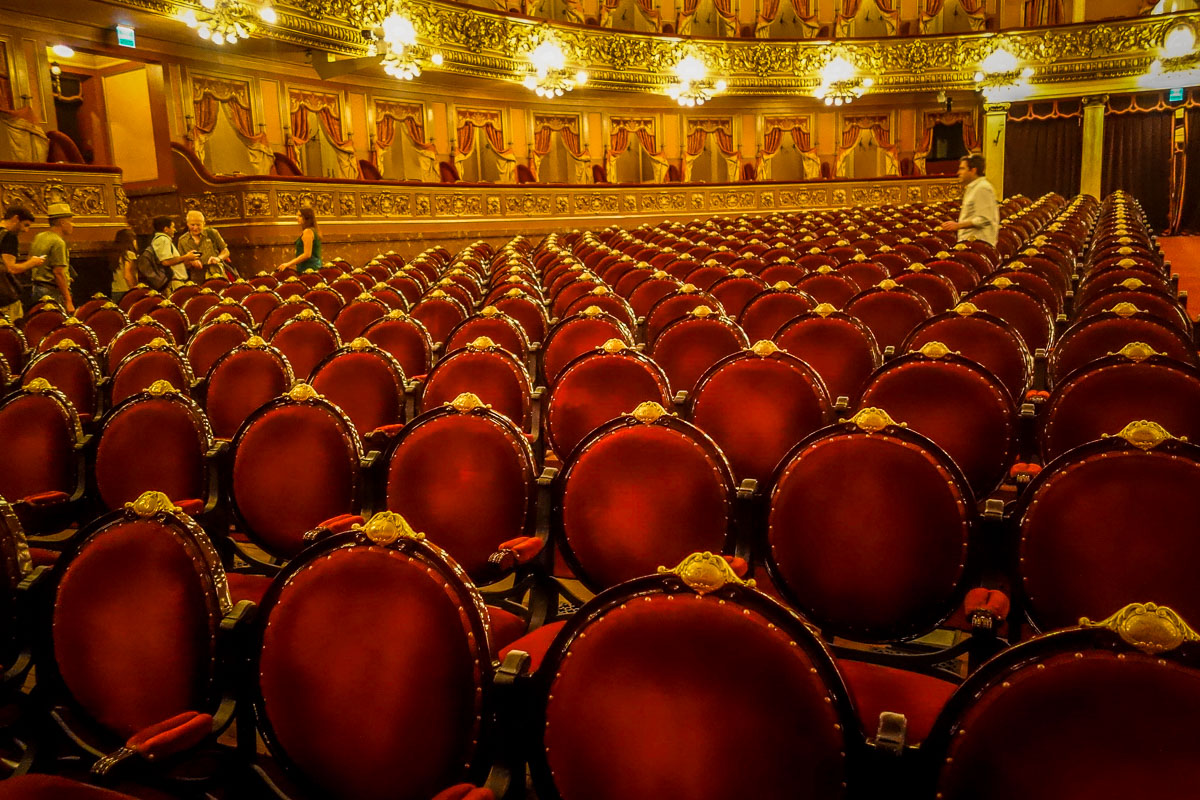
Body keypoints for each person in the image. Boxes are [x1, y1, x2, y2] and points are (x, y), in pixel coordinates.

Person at [939, 154, 999, 247]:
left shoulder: (982, 188)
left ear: (973, 170)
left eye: (962, 168)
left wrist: (958, 225)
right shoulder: (973, 187)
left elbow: (985, 219)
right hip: (970, 242)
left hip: (979, 244)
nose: (958, 172)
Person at [29, 202, 76, 315]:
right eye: (70, 221)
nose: (73, 225)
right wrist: (68, 301)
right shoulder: (58, 242)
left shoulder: (39, 237)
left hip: (37, 289)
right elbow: (58, 273)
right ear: (62, 222)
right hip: (52, 292)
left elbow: (31, 260)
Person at [0, 205, 45, 321]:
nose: (26, 230)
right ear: (16, 219)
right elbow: (11, 268)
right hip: (4, 299)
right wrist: (33, 262)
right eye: (25, 225)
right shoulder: (9, 237)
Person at [177, 210, 231, 281]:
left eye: (198, 225)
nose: (195, 228)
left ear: (204, 223)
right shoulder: (182, 240)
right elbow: (180, 262)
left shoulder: (212, 233)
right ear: (187, 224)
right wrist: (191, 262)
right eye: (192, 225)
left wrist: (218, 258)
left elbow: (226, 251)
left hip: (216, 273)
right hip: (196, 277)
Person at [150, 216, 199, 293]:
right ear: (166, 229)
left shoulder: (164, 240)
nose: (175, 230)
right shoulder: (162, 240)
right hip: (173, 284)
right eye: (173, 227)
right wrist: (186, 257)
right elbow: (165, 262)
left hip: (176, 282)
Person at [277, 207, 321, 273]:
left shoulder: (308, 231)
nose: (296, 218)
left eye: (300, 216)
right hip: (307, 268)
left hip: (309, 270)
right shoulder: (311, 230)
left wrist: (288, 264)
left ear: (307, 218)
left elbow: (307, 254)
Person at [112, 228, 138, 304]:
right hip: (126, 290)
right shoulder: (129, 254)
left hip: (115, 290)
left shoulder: (116, 255)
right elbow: (127, 275)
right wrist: (134, 290)